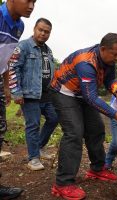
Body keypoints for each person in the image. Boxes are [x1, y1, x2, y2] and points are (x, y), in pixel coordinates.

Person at [49, 33, 117, 200]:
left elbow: (110, 80)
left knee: (96, 129)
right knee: (74, 133)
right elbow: (91, 98)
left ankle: (97, 169)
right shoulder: (86, 62)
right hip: (64, 92)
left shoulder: (108, 60)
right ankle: (62, 184)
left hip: (82, 93)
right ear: (102, 49)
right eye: (114, 54)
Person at [8, 18, 58, 171]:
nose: (43, 34)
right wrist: (16, 92)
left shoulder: (48, 50)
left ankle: (40, 147)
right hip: (30, 94)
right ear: (34, 29)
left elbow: (51, 72)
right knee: (33, 125)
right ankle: (33, 158)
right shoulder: (23, 46)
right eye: (40, 30)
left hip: (47, 94)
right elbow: (13, 68)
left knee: (54, 118)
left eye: (46, 32)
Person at [0, 0, 35, 198]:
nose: (31, 5)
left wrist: (6, 86)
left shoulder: (19, 26)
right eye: (27, 0)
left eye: (35, 2)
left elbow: (6, 57)